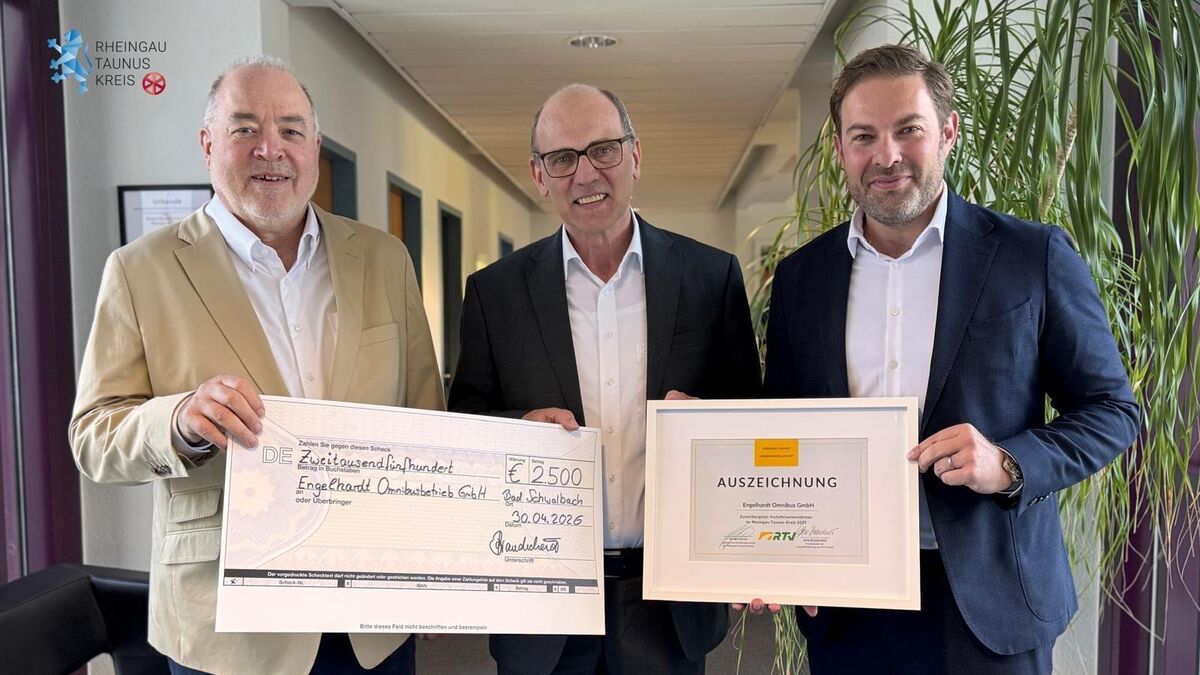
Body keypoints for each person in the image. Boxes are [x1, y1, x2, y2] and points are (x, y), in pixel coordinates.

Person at [758, 44, 1139, 674]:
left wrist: (1008, 463)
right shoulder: (802, 277)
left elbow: (1111, 411)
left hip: (992, 602)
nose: (887, 155)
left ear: (948, 132)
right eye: (864, 136)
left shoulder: (1031, 255)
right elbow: (784, 430)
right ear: (841, 150)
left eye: (908, 129)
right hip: (848, 602)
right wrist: (773, 549)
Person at [69, 57, 443, 675]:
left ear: (315, 148)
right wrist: (179, 421)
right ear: (207, 144)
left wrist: (438, 572)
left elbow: (427, 422)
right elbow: (93, 438)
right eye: (244, 129)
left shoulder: (384, 259)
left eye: (291, 130)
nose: (271, 148)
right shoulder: (141, 270)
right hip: (228, 624)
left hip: (370, 614)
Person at [449, 83, 761, 674]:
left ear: (635, 156)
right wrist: (520, 426)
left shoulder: (709, 278)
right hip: (540, 598)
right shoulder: (495, 293)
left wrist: (710, 424)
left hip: (668, 600)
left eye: (603, 150)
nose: (586, 173)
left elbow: (751, 421)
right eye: (562, 158)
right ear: (539, 176)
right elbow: (465, 427)